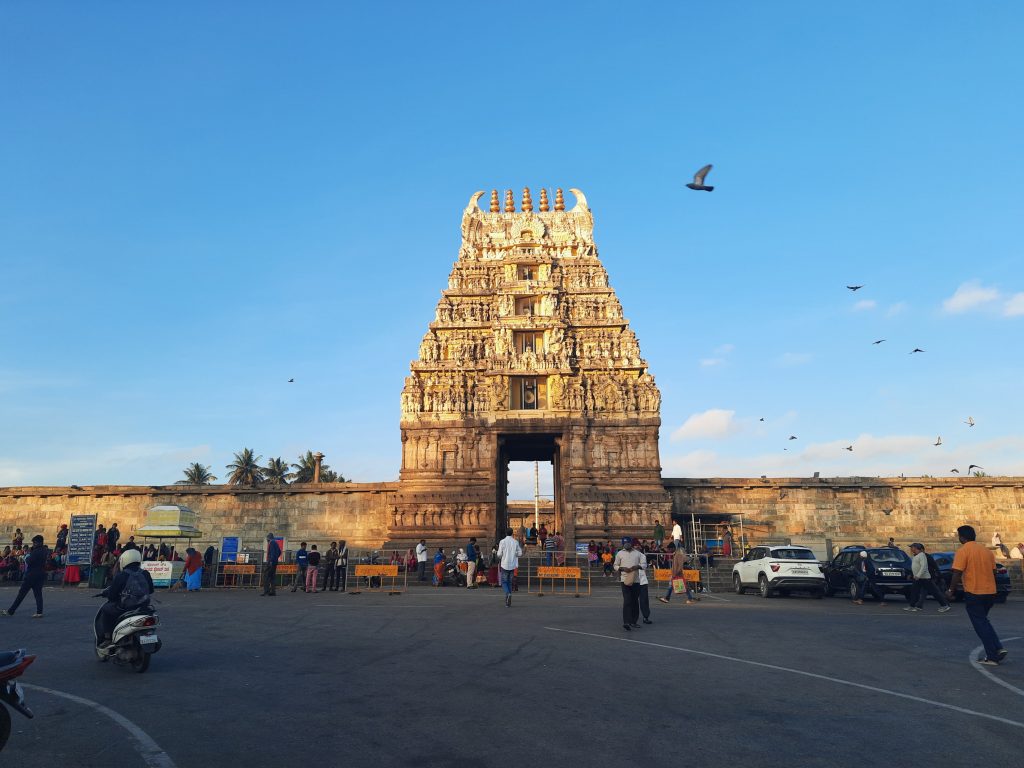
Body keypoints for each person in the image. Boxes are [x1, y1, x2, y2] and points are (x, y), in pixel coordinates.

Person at [948, 525, 1006, 666]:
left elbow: (957, 572)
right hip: (990, 592)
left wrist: (950, 590)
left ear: (962, 537)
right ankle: (998, 648)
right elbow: (994, 572)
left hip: (974, 592)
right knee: (984, 621)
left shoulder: (963, 551)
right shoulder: (986, 551)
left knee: (980, 625)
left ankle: (992, 656)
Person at [96, 548, 154, 645]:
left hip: (126, 608)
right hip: (144, 607)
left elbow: (112, 596)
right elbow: (151, 590)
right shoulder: (145, 573)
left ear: (125, 560)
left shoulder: (121, 575)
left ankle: (107, 638)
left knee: (106, 609)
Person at [1, 535, 48, 618]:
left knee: (21, 594)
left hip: (31, 575)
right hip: (40, 574)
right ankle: (39, 612)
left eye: (34, 543)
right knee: (38, 594)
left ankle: (11, 611)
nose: (33, 544)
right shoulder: (44, 551)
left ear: (37, 542)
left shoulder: (35, 551)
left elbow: (29, 561)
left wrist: (28, 556)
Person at [904, 543, 950, 613]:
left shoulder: (924, 556)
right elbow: (916, 567)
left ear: (917, 548)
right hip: (919, 578)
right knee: (914, 591)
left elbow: (924, 567)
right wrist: (912, 574)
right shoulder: (916, 556)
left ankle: (945, 605)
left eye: (912, 547)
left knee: (934, 592)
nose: (911, 549)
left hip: (925, 578)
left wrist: (918, 575)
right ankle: (912, 606)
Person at [614, 538, 644, 631]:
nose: (626, 544)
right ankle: (626, 622)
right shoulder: (619, 553)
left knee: (634, 601)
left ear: (631, 543)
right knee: (627, 600)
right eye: (624, 543)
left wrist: (637, 566)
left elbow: (644, 564)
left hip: (636, 580)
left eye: (627, 543)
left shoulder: (638, 553)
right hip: (624, 580)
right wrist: (622, 568)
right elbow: (615, 565)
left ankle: (633, 621)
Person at [497, 527, 522, 607]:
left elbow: (499, 554)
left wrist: (501, 555)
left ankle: (508, 594)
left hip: (504, 564)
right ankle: (508, 601)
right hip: (512, 565)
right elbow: (520, 553)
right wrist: (515, 554)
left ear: (506, 533)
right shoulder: (515, 542)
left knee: (504, 582)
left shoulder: (502, 541)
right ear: (512, 533)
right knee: (509, 582)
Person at [634, 539, 653, 625]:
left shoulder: (642, 556)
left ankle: (646, 616)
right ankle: (633, 618)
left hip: (642, 581)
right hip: (633, 581)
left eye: (638, 545)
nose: (637, 547)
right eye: (635, 545)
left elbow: (644, 567)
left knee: (644, 600)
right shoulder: (629, 556)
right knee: (633, 601)